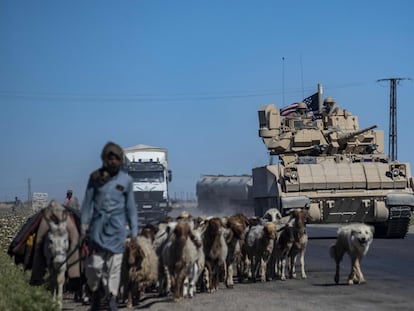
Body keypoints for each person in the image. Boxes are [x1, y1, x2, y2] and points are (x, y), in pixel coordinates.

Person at [81, 141, 138, 311]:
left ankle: (112, 298)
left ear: (120, 160)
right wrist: (83, 227)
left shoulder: (126, 180)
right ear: (104, 159)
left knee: (114, 269)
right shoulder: (95, 178)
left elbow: (131, 208)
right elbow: (86, 204)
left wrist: (134, 232)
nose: (113, 161)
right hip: (97, 230)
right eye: (109, 158)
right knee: (94, 267)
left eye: (116, 158)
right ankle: (96, 291)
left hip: (117, 230)